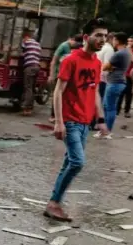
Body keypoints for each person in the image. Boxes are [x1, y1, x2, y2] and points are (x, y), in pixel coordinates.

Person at [46, 18, 108, 222]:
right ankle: (54, 204)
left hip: (85, 122)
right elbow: (58, 91)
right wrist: (58, 121)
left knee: (69, 163)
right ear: (86, 37)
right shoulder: (71, 60)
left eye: (105, 36)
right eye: (98, 35)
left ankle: (54, 202)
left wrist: (100, 118)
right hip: (70, 120)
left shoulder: (97, 63)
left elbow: (96, 91)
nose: (102, 39)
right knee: (77, 162)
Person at [101, 32, 131, 138]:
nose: (112, 42)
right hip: (117, 81)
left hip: (115, 82)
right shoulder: (126, 52)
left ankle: (107, 131)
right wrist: (111, 67)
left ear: (117, 41)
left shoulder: (119, 54)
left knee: (109, 107)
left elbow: (104, 67)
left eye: (114, 39)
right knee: (107, 106)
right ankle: (105, 129)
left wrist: (109, 67)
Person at [48, 34, 83, 122]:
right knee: (58, 93)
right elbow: (54, 61)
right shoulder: (63, 46)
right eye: (74, 41)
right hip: (59, 74)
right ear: (70, 39)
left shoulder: (77, 48)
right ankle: (53, 115)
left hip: (70, 76)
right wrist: (51, 75)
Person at [20, 29, 41, 116]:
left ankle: (25, 108)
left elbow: (22, 51)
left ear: (25, 37)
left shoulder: (26, 42)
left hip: (29, 67)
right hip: (37, 67)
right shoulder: (37, 44)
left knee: (27, 87)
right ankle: (30, 108)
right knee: (32, 88)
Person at [116, 35, 133, 118]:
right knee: (121, 92)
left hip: (130, 75)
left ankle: (127, 111)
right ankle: (117, 109)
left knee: (129, 93)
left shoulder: (130, 50)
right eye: (128, 41)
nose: (129, 43)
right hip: (123, 74)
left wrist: (129, 50)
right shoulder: (125, 49)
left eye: (132, 41)